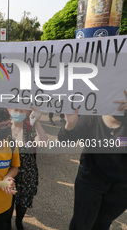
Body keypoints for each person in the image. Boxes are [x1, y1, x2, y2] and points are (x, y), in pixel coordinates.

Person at [58, 91, 127, 230]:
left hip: (121, 188)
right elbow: (65, 140)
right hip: (90, 181)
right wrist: (70, 125)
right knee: (82, 223)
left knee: (103, 223)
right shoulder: (93, 116)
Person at [7, 108, 48, 230]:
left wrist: (37, 122)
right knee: (7, 200)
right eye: (16, 110)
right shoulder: (4, 127)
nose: (18, 113)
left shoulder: (30, 127)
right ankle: (6, 222)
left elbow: (44, 143)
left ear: (27, 112)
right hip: (8, 172)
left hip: (28, 172)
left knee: (23, 201)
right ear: (9, 110)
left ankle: (19, 221)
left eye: (22, 111)